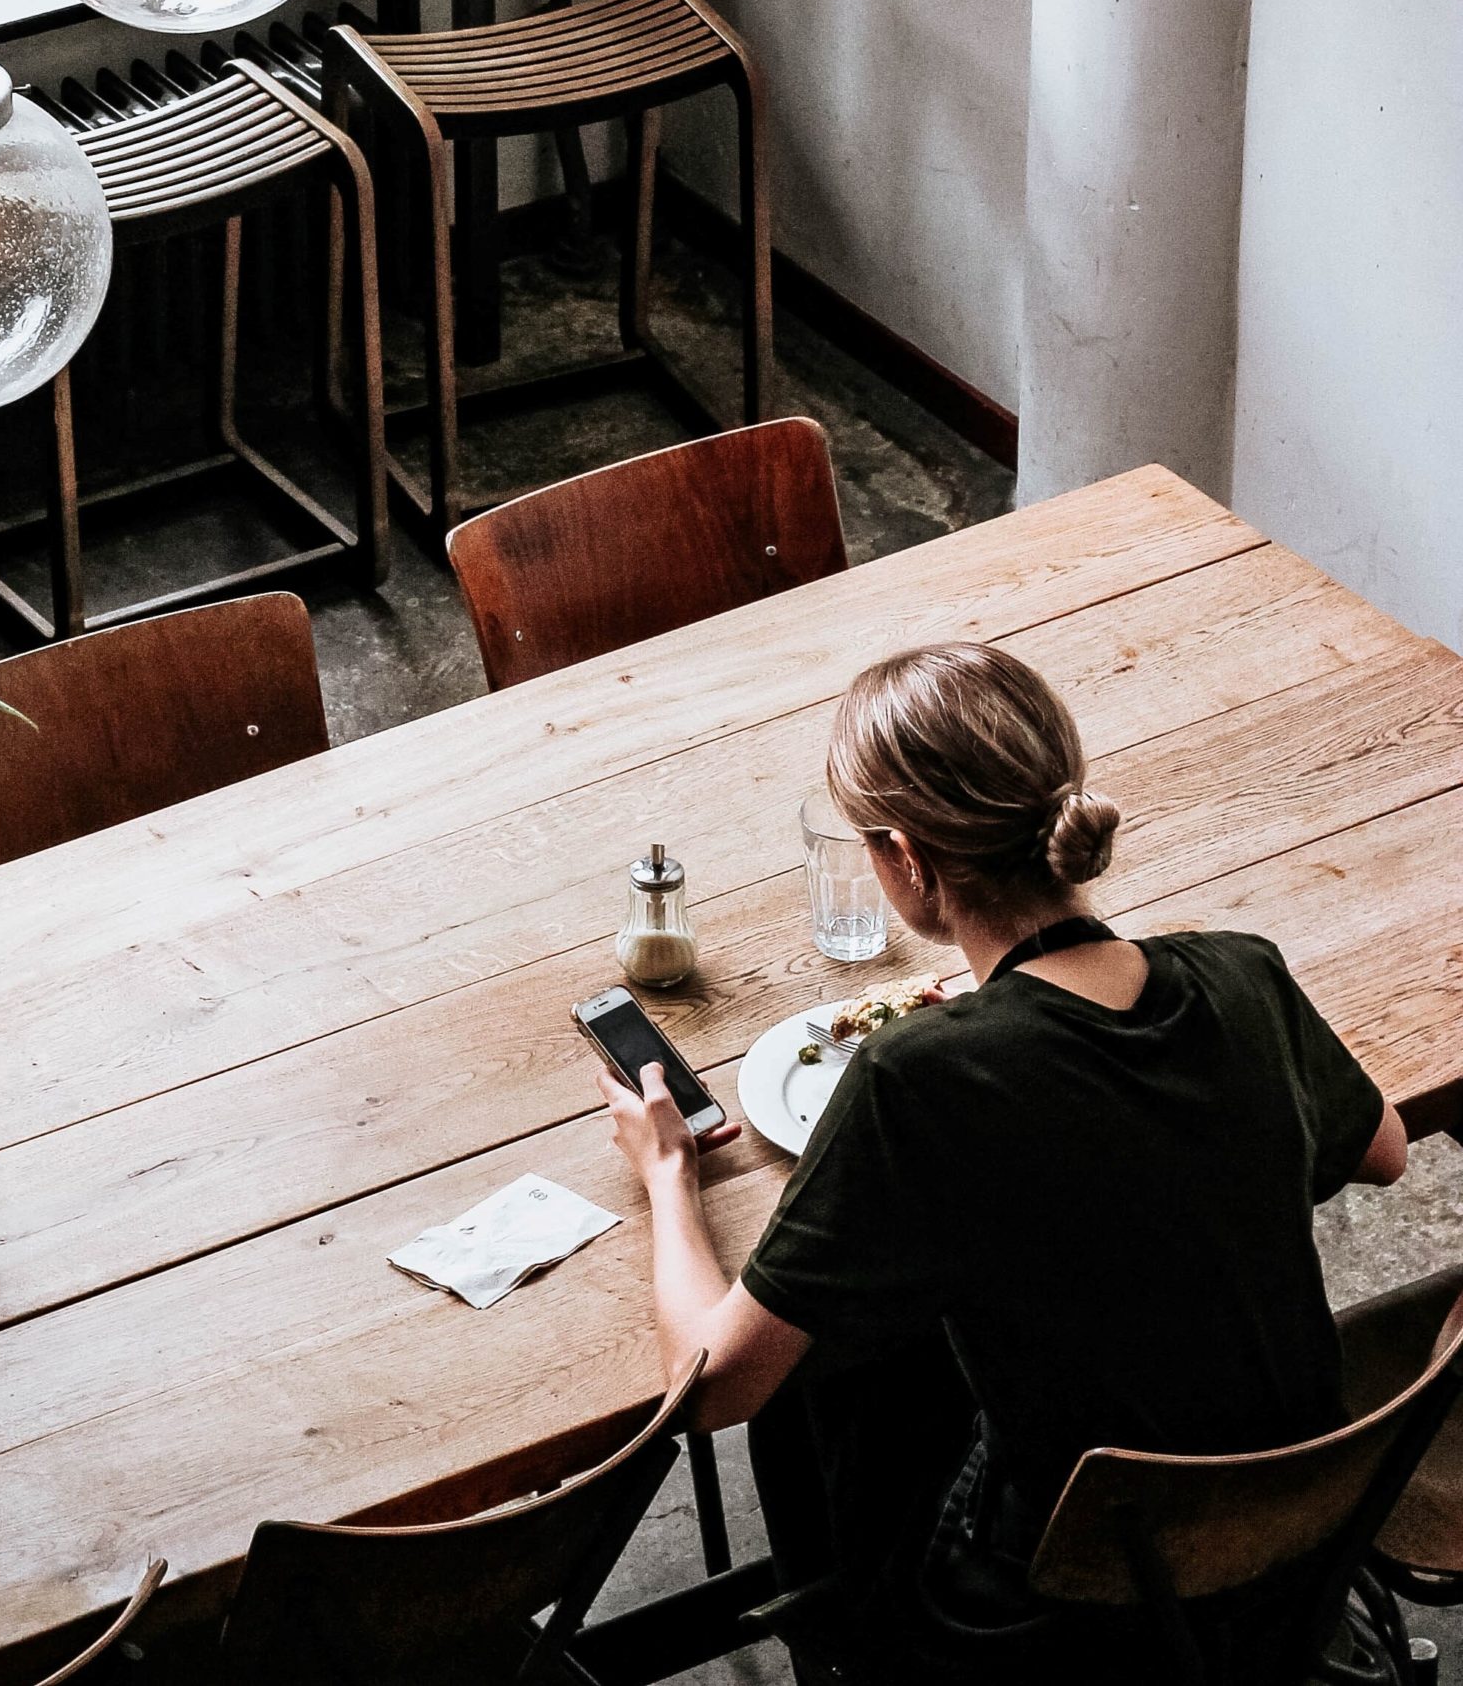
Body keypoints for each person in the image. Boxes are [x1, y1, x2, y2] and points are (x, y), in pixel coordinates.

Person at [596, 642, 1409, 1679]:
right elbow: (1381, 1149)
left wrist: (667, 1173)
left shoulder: (917, 1082)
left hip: (1070, 1595)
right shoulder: (1238, 971)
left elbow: (706, 1390)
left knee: (817, 1397)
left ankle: (856, 1650)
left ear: (908, 862)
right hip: (1298, 1523)